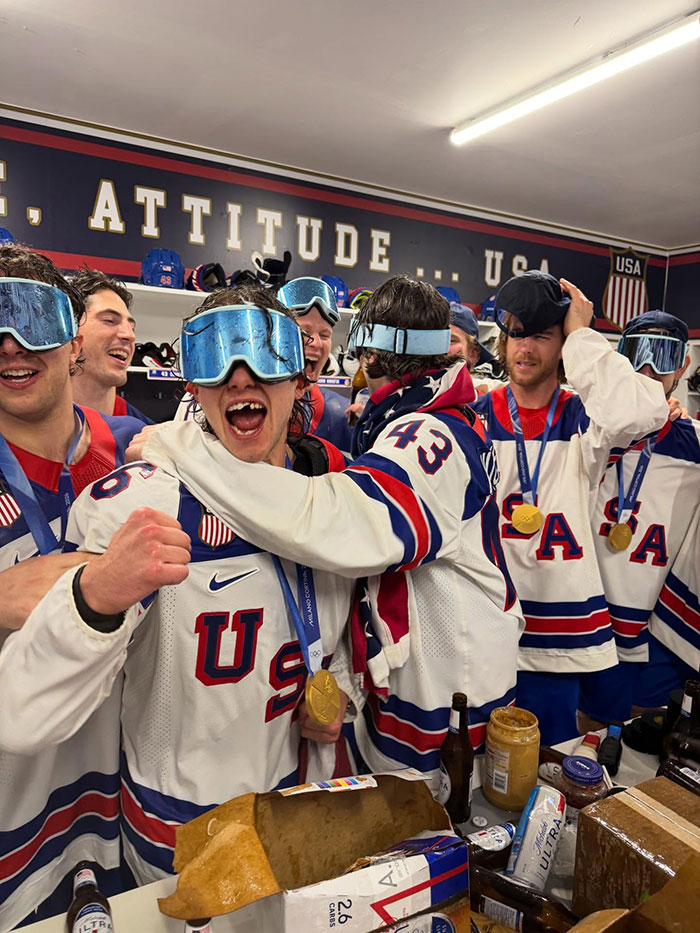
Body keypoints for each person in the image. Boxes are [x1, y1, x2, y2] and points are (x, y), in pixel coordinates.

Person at [0, 287, 353, 888]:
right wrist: (92, 597)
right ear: (193, 385)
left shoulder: (337, 500)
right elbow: (20, 714)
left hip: (292, 804)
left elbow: (341, 637)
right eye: (215, 357)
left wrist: (336, 688)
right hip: (175, 829)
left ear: (300, 379)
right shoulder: (142, 500)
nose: (240, 377)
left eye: (265, 356)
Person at [134, 274, 524, 785]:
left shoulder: (431, 431)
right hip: (416, 680)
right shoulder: (423, 417)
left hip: (446, 693)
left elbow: (345, 526)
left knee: (434, 834)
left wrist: (181, 446)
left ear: (373, 354)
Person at [0, 246, 145, 929]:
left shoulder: (141, 449)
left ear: (70, 339)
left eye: (28, 316)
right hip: (12, 800)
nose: (10, 344)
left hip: (124, 796)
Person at [469, 271, 669, 745]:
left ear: (563, 347)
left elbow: (645, 410)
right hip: (485, 617)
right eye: (516, 334)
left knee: (551, 764)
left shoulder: (587, 419)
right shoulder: (473, 414)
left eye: (543, 336)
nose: (525, 349)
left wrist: (583, 334)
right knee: (478, 768)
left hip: (559, 632)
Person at [580, 310, 700, 724]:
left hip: (647, 634)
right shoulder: (589, 426)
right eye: (638, 353)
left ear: (683, 366)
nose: (649, 368)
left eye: (664, 356)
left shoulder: (695, 447)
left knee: (627, 748)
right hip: (577, 617)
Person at [277, 276, 353, 455]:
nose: (317, 343)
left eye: (325, 335)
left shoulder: (342, 414)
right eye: (305, 332)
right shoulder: (247, 405)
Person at [69, 268, 153, 423]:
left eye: (132, 327)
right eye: (109, 320)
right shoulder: (23, 429)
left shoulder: (147, 438)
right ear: (70, 329)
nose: (130, 336)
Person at [448, 302, 503, 394]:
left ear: (472, 354)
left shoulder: (483, 397)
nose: (440, 347)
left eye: (451, 341)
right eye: (436, 339)